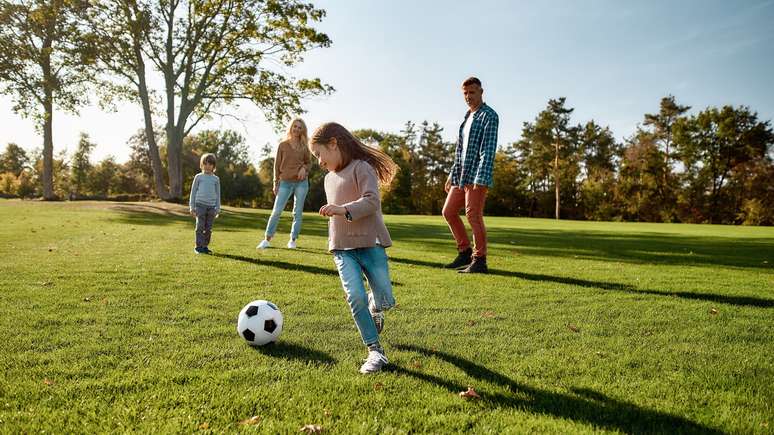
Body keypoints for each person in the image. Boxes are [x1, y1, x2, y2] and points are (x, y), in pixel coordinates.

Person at [310, 122, 398, 374]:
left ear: (334, 144)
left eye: (319, 154)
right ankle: (375, 350)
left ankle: (376, 306)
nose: (318, 162)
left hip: (371, 243)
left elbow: (371, 202)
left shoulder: (362, 168)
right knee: (354, 296)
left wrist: (343, 209)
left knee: (385, 298)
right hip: (342, 248)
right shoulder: (328, 179)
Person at [442, 76, 499, 274]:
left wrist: (481, 177)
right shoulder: (467, 117)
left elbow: (488, 150)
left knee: (473, 215)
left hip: (476, 174)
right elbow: (460, 151)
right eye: (465, 93)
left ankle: (480, 260)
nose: (468, 96)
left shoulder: (489, 116)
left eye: (472, 92)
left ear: (481, 92)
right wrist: (451, 173)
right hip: (460, 173)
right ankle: (464, 251)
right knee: (448, 212)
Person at [257, 118, 311, 249]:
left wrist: (304, 168)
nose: (297, 129)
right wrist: (275, 183)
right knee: (276, 211)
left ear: (302, 130)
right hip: (285, 182)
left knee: (297, 212)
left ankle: (292, 240)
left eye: (299, 127)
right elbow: (276, 166)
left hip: (301, 183)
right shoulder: (282, 145)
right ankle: (267, 239)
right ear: (291, 128)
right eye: (295, 126)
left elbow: (309, 162)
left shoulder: (305, 146)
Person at [189, 153, 221, 254]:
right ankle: (198, 247)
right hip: (199, 206)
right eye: (205, 164)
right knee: (200, 227)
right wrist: (192, 207)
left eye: (210, 164)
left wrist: (218, 208)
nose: (207, 166)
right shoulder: (198, 177)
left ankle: (205, 246)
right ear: (202, 165)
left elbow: (218, 194)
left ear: (213, 166)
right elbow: (193, 192)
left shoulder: (216, 179)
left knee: (208, 229)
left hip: (211, 207)